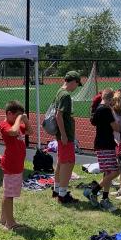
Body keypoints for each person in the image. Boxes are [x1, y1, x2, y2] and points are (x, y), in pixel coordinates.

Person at [86, 88, 119, 210]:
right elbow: (116, 127)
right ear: (111, 99)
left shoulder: (98, 108)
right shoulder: (106, 109)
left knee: (108, 172)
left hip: (103, 143)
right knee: (115, 171)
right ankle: (93, 191)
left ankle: (105, 198)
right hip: (105, 144)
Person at [51, 71, 81, 204]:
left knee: (61, 162)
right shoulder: (66, 95)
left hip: (62, 134)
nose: (76, 87)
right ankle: (62, 195)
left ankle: (57, 190)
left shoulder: (59, 91)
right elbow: (58, 115)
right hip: (65, 135)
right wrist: (63, 134)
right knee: (68, 163)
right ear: (73, 81)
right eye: (77, 84)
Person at [0, 101, 28, 230]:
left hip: (17, 164)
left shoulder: (15, 124)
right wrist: (20, 119)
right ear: (9, 114)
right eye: (17, 116)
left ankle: (3, 219)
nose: (19, 119)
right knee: (9, 195)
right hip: (11, 164)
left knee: (8, 193)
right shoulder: (5, 125)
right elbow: (14, 131)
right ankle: (10, 223)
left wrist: (25, 120)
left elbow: (30, 131)